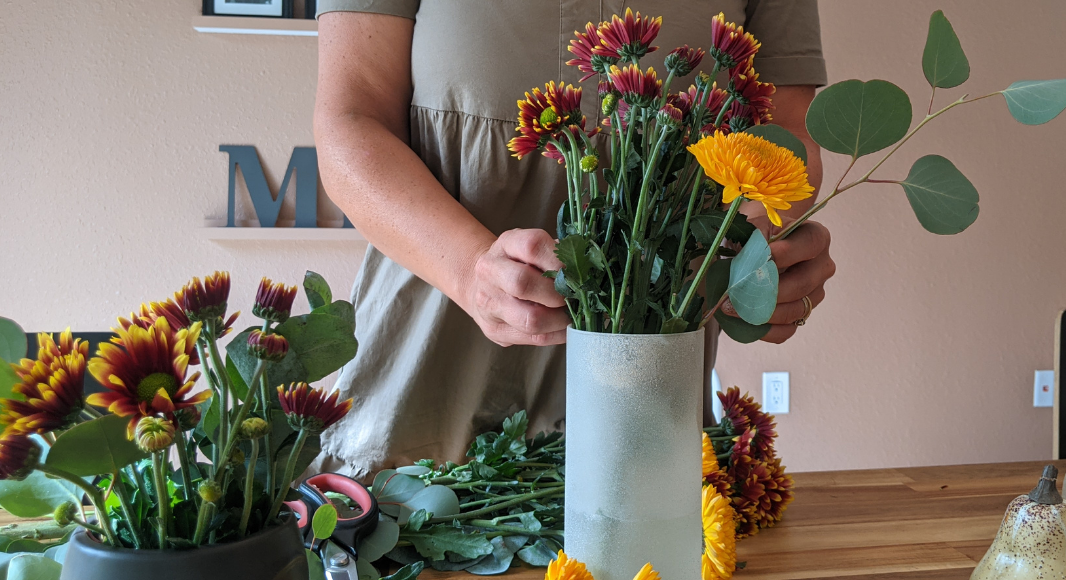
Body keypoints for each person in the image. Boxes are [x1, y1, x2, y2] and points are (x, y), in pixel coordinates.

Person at [311, 0, 836, 479]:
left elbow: (790, 137)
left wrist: (755, 247)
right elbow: (350, 121)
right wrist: (470, 269)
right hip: (418, 411)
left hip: (645, 432)